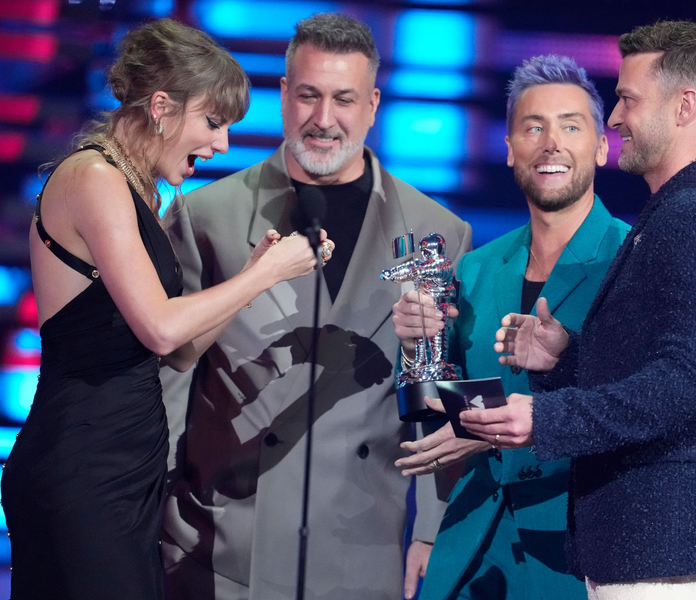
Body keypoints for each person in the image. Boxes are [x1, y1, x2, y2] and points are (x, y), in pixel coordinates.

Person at [462, 21, 696, 599]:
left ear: (684, 105)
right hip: (655, 548)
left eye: (628, 99)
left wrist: (547, 418)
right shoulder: (676, 214)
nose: (614, 119)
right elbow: (672, 367)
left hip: (672, 551)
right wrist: (567, 357)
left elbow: (691, 383)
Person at [1, 18, 327, 600]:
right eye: (212, 122)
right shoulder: (94, 177)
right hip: (83, 467)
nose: (222, 144)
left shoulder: (142, 190)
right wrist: (266, 273)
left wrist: (255, 278)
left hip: (127, 470)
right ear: (160, 107)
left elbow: (179, 352)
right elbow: (158, 327)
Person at [159, 12, 471, 600]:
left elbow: (438, 395)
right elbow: (168, 385)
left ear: (374, 103)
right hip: (222, 552)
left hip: (360, 547)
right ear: (282, 96)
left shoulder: (437, 234)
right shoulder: (208, 218)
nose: (323, 120)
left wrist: (431, 531)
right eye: (308, 95)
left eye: (343, 99)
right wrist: (152, 523)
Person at [393, 55, 629, 600]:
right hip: (472, 547)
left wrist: (488, 436)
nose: (551, 142)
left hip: (578, 556)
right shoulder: (474, 268)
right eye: (533, 127)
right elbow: (432, 410)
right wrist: (413, 348)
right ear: (508, 150)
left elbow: (640, 409)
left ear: (600, 147)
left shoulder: (631, 259)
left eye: (571, 126)